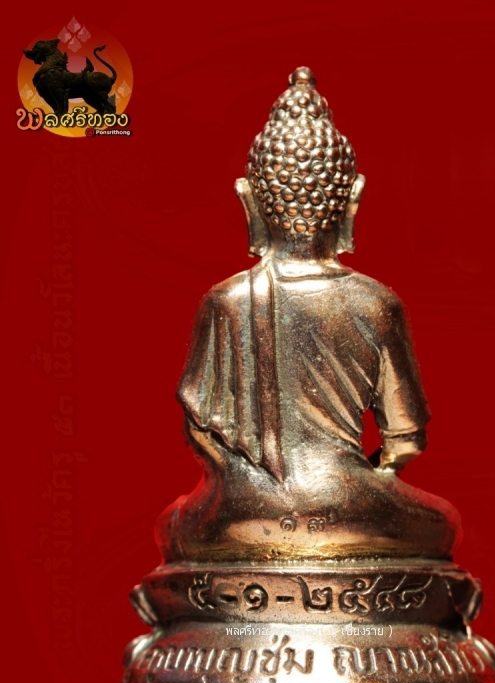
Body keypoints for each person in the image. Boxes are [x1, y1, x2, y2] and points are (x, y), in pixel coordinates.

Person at [157, 68, 461, 565]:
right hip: (352, 510)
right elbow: (405, 443)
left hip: (243, 516)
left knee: (171, 524)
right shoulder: (377, 303)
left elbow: (201, 433)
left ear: (249, 202)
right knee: (443, 521)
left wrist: (247, 489)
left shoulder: (226, 300)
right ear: (352, 201)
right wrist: (361, 484)